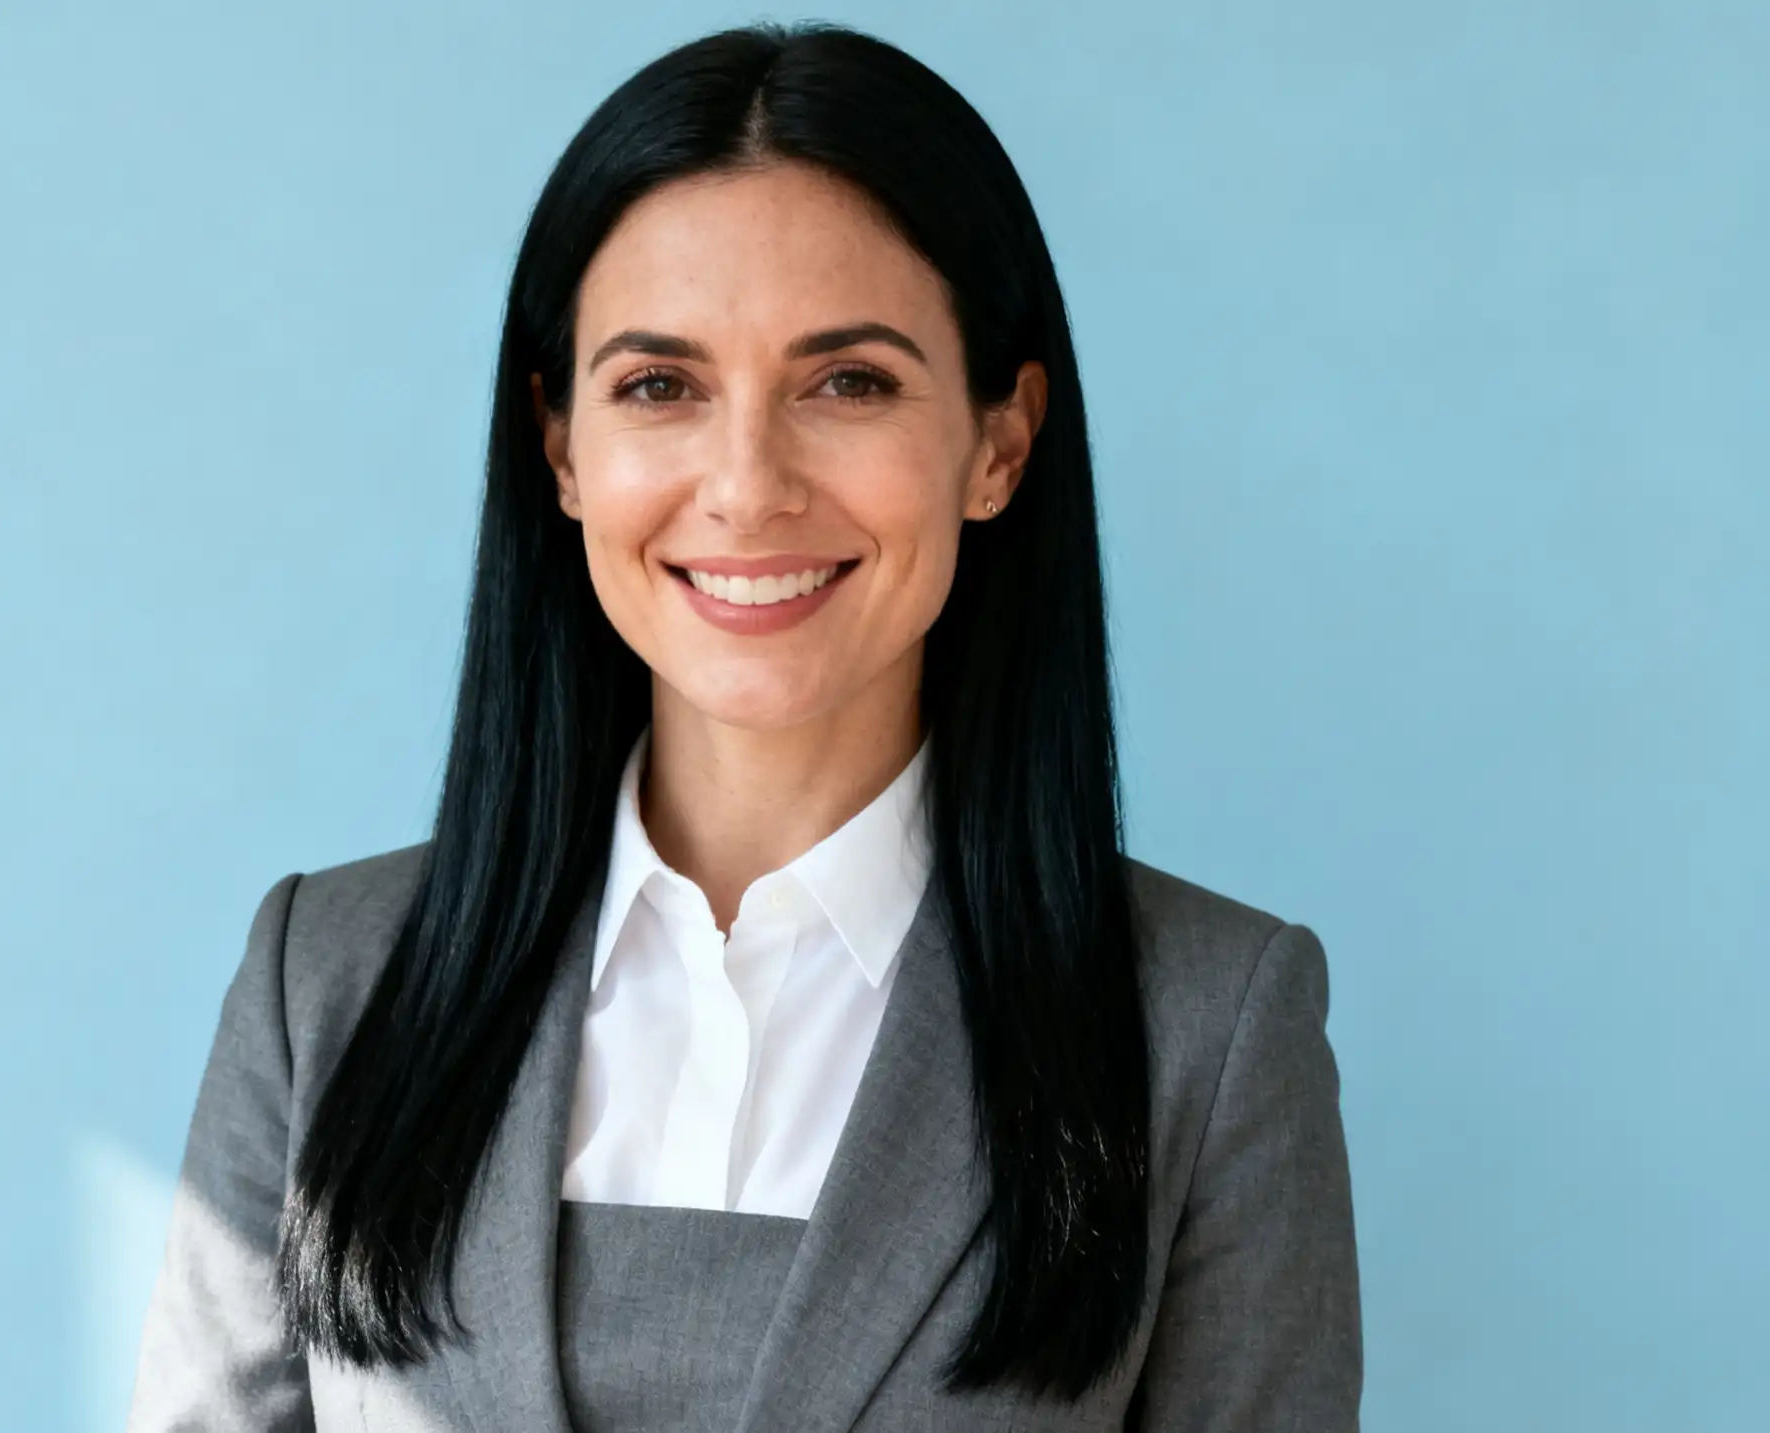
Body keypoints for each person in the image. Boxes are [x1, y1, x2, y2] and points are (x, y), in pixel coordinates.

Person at [127, 20, 1362, 1432]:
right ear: (561, 446)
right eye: (660, 386)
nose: (748, 484)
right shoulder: (324, 988)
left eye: (850, 382)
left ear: (1000, 443)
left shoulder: (1207, 1030)